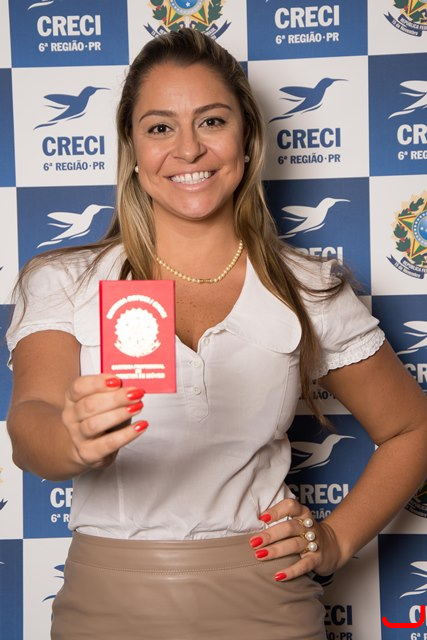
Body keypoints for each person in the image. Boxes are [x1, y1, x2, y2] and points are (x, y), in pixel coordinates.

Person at [6, 28, 427, 640]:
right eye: (160, 127)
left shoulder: (308, 287)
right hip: (107, 606)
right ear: (132, 148)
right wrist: (70, 440)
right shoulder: (64, 281)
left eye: (211, 121)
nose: (188, 149)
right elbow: (30, 426)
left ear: (246, 139)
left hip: (270, 603)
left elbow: (412, 429)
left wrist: (335, 540)